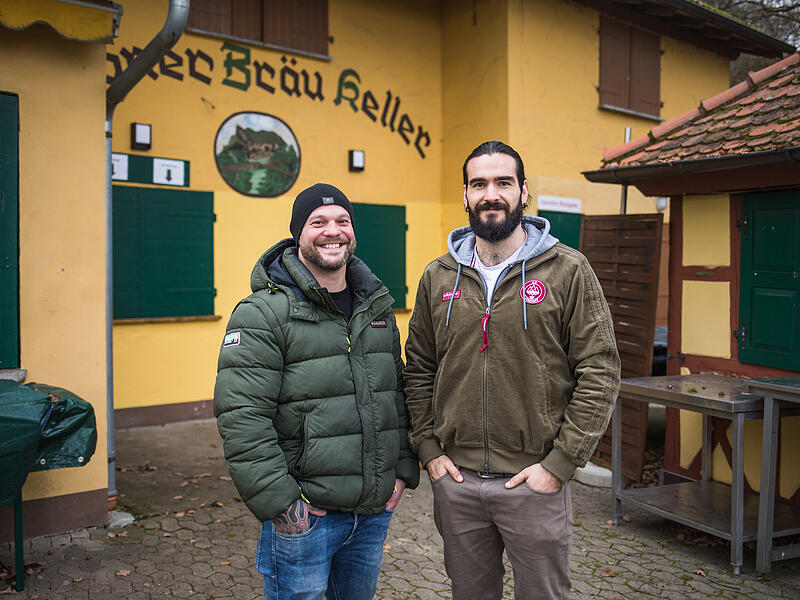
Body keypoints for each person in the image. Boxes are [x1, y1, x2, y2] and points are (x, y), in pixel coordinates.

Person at [404, 141, 620, 600]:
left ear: (524, 192)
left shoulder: (567, 270)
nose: (491, 193)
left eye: (503, 182)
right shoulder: (438, 276)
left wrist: (559, 464)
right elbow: (419, 368)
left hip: (534, 482)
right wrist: (427, 448)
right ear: (465, 195)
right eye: (479, 184)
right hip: (457, 483)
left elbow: (600, 370)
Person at [214, 182, 419, 600]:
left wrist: (401, 470)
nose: (333, 230)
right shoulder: (263, 314)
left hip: (371, 513)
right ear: (298, 234)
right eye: (318, 222)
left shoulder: (376, 308)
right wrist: (283, 504)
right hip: (306, 518)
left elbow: (394, 394)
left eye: (342, 220)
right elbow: (242, 418)